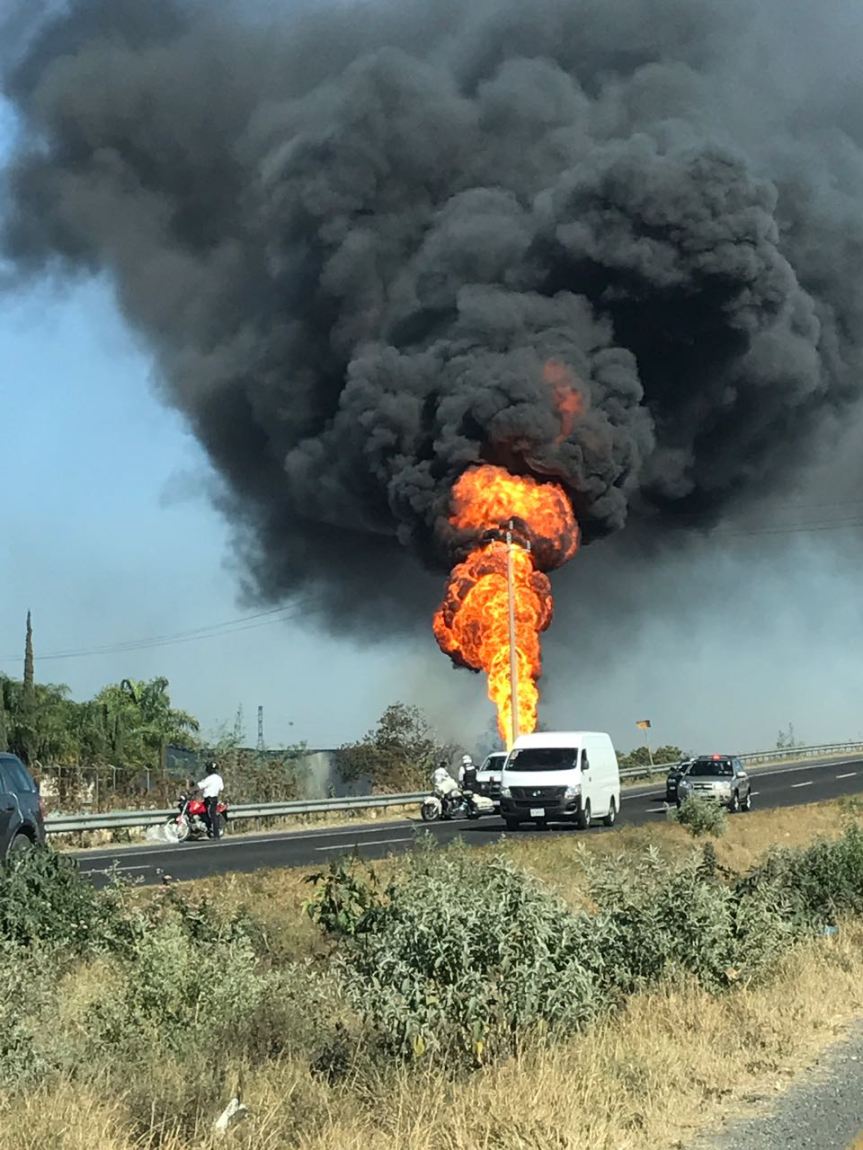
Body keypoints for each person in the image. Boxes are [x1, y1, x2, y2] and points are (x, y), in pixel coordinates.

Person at [196, 760, 225, 839]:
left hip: (209, 799)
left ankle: (216, 834)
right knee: (206, 814)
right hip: (214, 798)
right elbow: (221, 788)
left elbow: (201, 785)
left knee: (212, 815)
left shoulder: (209, 778)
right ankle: (208, 830)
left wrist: (193, 789)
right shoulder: (219, 778)